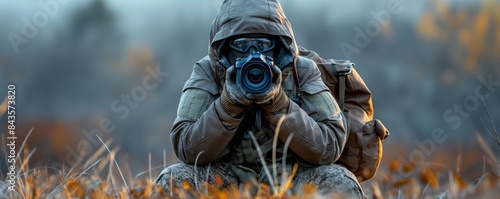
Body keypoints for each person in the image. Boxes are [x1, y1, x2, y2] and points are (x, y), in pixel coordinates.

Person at [155, 0, 364, 197]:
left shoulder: (302, 70)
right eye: (242, 44)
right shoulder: (209, 71)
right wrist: (228, 105)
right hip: (227, 178)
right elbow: (186, 146)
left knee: (340, 181)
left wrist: (279, 105)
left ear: (279, 45)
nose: (253, 52)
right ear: (225, 46)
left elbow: (331, 145)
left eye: (263, 44)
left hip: (292, 176)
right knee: (172, 181)